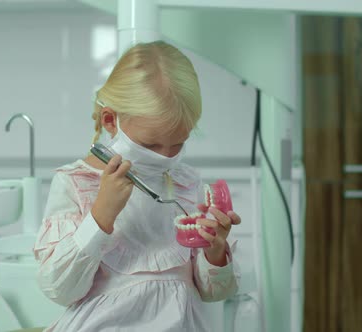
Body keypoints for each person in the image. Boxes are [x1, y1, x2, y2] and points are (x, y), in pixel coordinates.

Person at [34, 40, 241, 331]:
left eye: (178, 144)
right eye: (150, 144)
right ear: (110, 120)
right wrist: (101, 215)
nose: (165, 155)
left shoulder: (186, 184)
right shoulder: (76, 184)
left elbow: (214, 292)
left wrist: (215, 249)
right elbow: (61, 290)